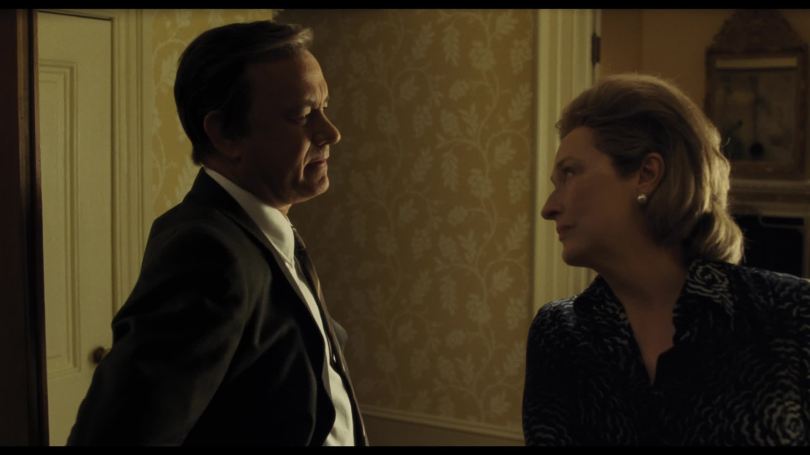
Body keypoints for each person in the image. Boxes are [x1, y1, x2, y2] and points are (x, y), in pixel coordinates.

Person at [67, 20, 367, 446]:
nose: (330, 132)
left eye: (324, 107)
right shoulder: (207, 254)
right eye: (302, 114)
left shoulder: (266, 231)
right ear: (226, 134)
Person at [523, 73, 810, 446]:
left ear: (647, 174)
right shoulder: (560, 333)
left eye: (569, 174)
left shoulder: (791, 313)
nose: (548, 208)